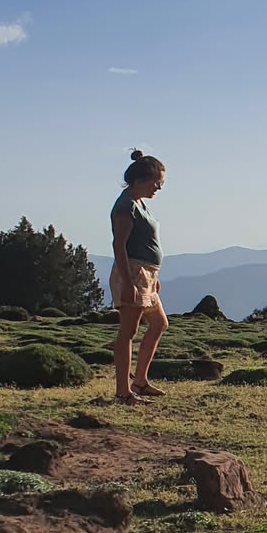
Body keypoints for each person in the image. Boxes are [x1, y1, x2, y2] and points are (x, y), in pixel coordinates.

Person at [111, 148, 167, 404]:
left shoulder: (138, 204)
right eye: (156, 182)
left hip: (146, 274)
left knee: (159, 323)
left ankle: (140, 382)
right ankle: (123, 392)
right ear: (140, 179)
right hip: (133, 272)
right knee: (128, 331)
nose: (158, 188)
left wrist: (153, 277)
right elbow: (119, 245)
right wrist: (127, 282)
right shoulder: (125, 207)